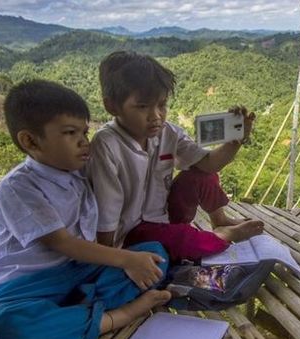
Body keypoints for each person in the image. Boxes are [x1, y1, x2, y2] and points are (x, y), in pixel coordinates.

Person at [0, 80, 172, 339]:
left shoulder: (77, 173)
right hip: (25, 288)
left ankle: (59, 334)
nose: (83, 142)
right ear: (31, 141)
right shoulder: (19, 186)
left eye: (84, 132)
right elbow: (61, 243)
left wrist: (134, 258)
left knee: (155, 256)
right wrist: (126, 259)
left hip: (79, 276)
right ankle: (118, 316)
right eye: (70, 133)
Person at [87, 51, 264, 262]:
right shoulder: (106, 144)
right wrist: (109, 257)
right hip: (131, 233)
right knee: (183, 241)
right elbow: (107, 212)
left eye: (161, 105)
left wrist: (235, 141)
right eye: (143, 106)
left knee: (201, 175)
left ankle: (220, 220)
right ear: (112, 106)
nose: (156, 116)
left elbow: (209, 164)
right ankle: (222, 236)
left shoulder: (168, 132)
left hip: (164, 215)